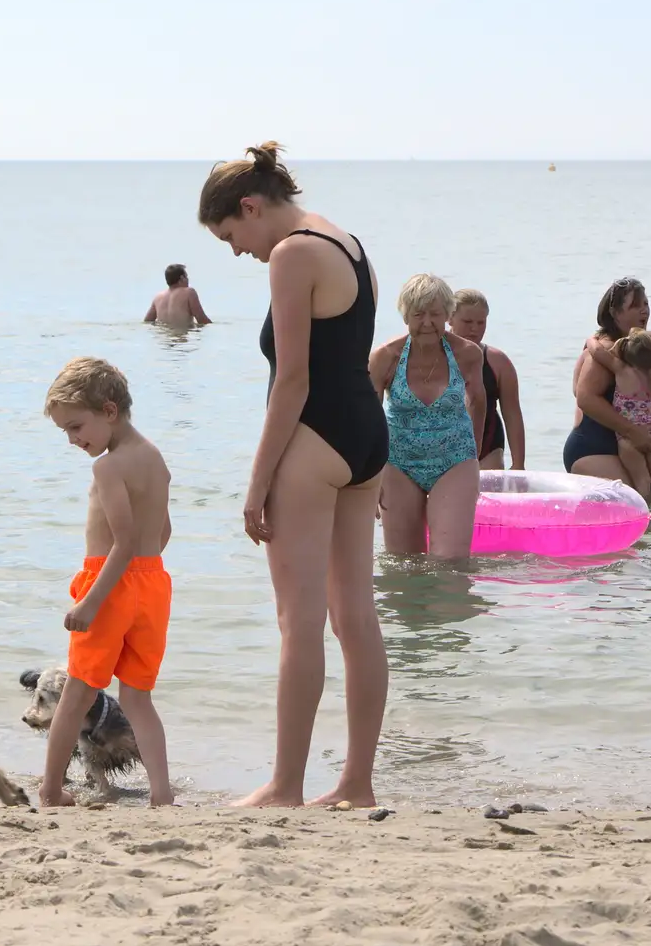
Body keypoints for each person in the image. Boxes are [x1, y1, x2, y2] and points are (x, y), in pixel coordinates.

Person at [198, 142, 388, 809]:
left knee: (298, 622)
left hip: (313, 442)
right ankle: (356, 784)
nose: (236, 250)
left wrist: (255, 487)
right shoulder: (347, 243)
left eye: (230, 234)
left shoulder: (290, 254)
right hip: (367, 436)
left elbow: (293, 381)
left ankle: (285, 785)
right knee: (356, 616)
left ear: (250, 207)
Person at [40, 357, 173, 808]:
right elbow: (161, 534)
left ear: (109, 411)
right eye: (66, 432)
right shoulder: (155, 458)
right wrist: (141, 575)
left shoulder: (109, 467)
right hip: (152, 585)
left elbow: (124, 540)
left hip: (109, 583)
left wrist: (91, 603)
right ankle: (161, 794)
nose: (74, 440)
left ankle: (52, 789)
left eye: (77, 428)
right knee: (138, 698)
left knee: (76, 694)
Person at [369, 275, 486, 558]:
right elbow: (368, 420)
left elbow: (479, 403)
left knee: (450, 562)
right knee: (403, 562)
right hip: (399, 462)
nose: (427, 323)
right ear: (405, 316)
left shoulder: (467, 354)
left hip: (454, 460)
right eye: (418, 315)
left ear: (447, 315)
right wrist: (369, 478)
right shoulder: (385, 357)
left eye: (435, 314)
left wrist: (474, 456)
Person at [562, 277, 651, 479]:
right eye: (635, 306)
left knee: (649, 501)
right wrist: (633, 432)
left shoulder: (636, 351)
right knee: (641, 502)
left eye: (646, 304)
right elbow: (585, 398)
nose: (644, 311)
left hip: (622, 447)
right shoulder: (605, 349)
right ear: (615, 313)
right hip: (592, 449)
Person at [589, 329, 651, 500]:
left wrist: (591, 339)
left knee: (641, 479)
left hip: (629, 438)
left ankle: (647, 512)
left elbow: (597, 351)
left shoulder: (621, 369)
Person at [447, 289, 525, 470]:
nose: (474, 329)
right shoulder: (433, 357)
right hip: (441, 447)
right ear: (450, 318)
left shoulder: (498, 362)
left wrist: (518, 464)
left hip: (488, 448)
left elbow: (512, 413)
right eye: (467, 322)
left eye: (480, 322)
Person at [143, 264, 212, 328]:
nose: (188, 280)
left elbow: (147, 321)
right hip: (180, 338)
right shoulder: (189, 292)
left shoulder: (158, 297)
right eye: (186, 277)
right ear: (182, 278)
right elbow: (201, 319)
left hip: (163, 339)